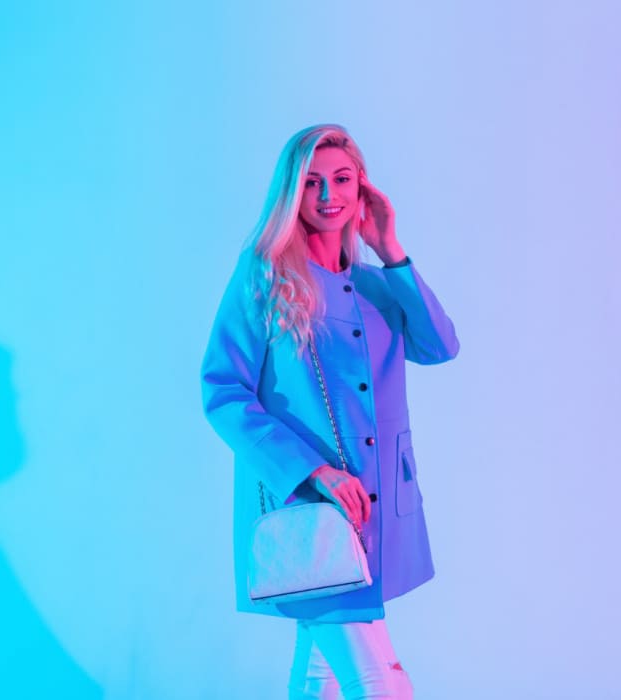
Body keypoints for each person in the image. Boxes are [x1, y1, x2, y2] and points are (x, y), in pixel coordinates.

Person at [200, 124, 460, 699]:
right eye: (311, 183)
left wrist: (390, 250)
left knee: (320, 677)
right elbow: (222, 391)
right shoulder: (264, 276)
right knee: (380, 683)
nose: (327, 195)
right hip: (311, 510)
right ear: (292, 193)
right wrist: (313, 471)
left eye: (342, 179)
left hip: (380, 511)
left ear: (361, 186)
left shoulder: (377, 284)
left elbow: (440, 346)